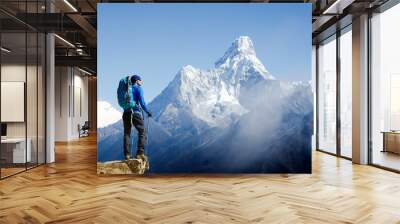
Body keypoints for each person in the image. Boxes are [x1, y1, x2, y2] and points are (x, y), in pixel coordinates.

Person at [123, 75, 152, 161]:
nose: (141, 82)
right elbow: (142, 103)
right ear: (137, 81)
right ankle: (140, 153)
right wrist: (148, 111)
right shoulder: (138, 88)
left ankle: (127, 155)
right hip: (136, 113)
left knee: (127, 133)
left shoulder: (127, 89)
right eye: (140, 80)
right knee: (142, 132)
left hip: (126, 113)